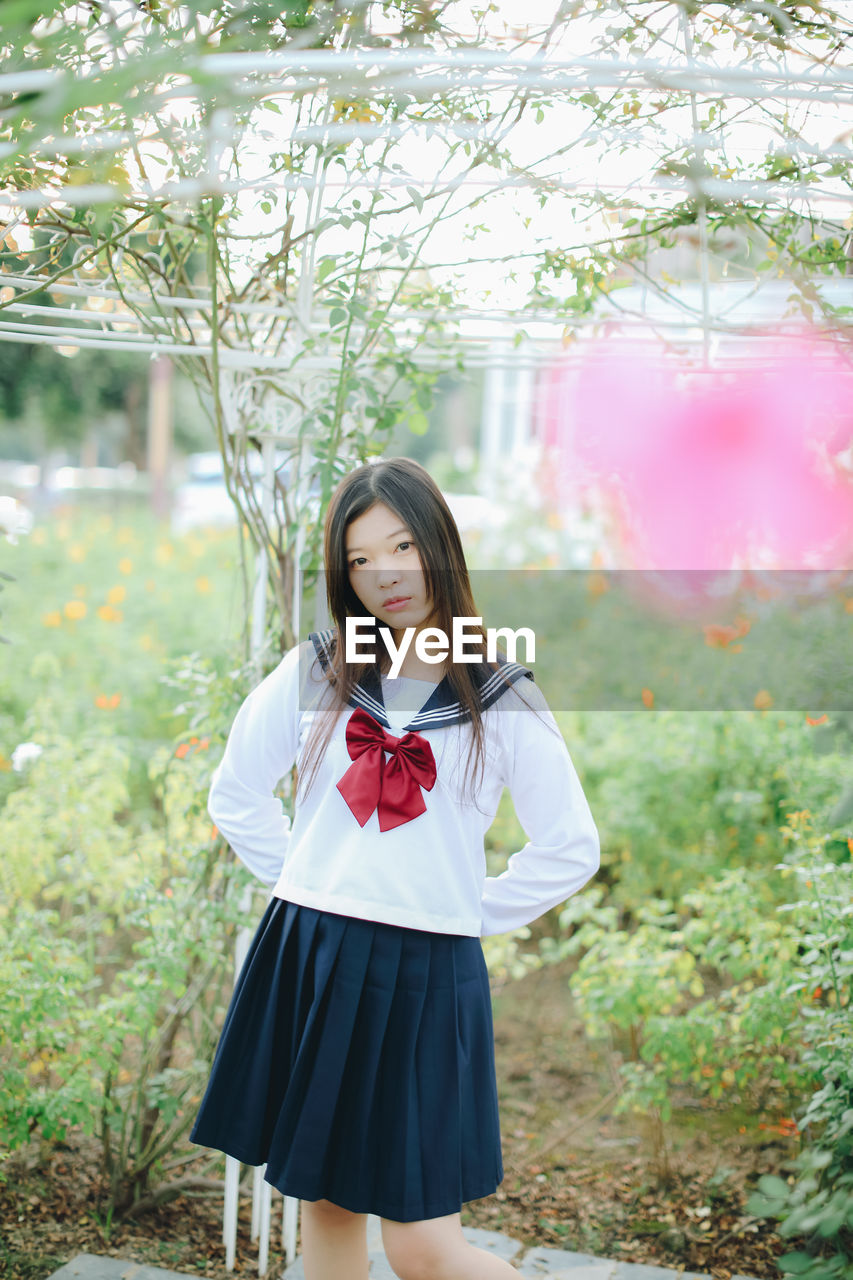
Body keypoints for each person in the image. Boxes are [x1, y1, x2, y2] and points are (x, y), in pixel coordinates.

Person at [190, 456, 600, 1280]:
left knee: (421, 1244)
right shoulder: (318, 670)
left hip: (423, 968)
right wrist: (307, 882)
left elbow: (568, 846)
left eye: (403, 546)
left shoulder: (499, 695)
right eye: (360, 559)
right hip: (316, 953)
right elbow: (235, 793)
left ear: (438, 546)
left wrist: (466, 911)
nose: (385, 573)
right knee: (329, 1207)